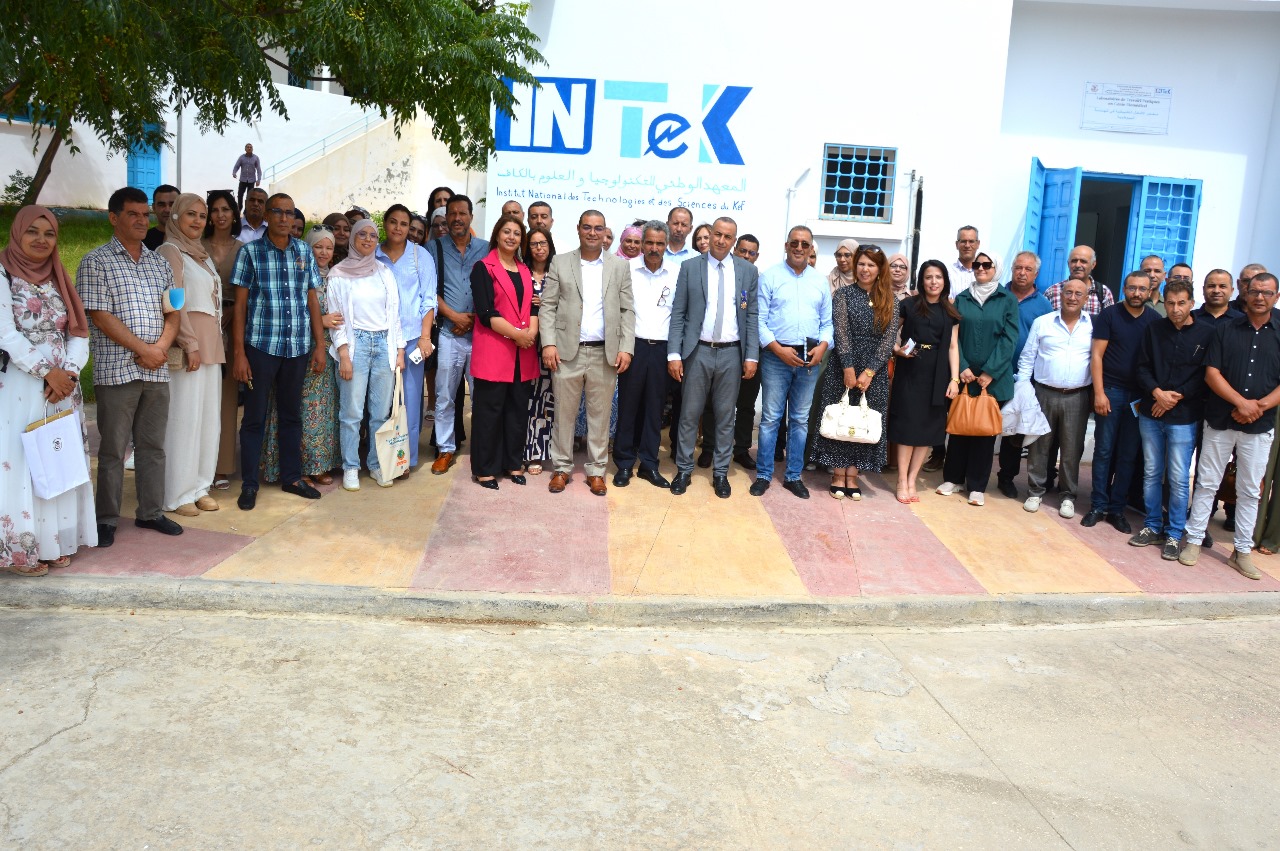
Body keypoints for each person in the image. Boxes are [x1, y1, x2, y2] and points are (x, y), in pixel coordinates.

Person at [79, 187, 183, 546]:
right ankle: (106, 518)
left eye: (145, 214)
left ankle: (150, 513)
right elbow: (100, 315)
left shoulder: (160, 263)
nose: (142, 220)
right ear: (114, 218)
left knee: (153, 446)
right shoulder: (95, 261)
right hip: (117, 370)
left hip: (156, 369)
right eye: (132, 214)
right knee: (113, 449)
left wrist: (160, 349)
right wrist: (144, 349)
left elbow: (174, 311)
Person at [0, 205, 96, 575]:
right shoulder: (4, 273)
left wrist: (68, 374)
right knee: (24, 460)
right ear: (17, 233)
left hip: (62, 389)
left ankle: (54, 541)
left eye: (49, 233)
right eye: (32, 231)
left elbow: (78, 331)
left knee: (56, 458)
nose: (41, 240)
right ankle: (21, 549)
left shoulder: (58, 276)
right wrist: (46, 373)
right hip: (22, 385)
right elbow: (5, 333)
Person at [230, 192, 327, 510]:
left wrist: (319, 345)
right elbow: (240, 306)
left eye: (290, 212)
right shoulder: (250, 253)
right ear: (267, 216)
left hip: (297, 347)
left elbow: (312, 299)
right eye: (278, 212)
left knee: (291, 415)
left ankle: (292, 478)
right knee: (254, 417)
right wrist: (239, 353)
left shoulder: (303, 251)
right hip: (261, 347)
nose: (285, 218)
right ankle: (249, 484)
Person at [1179, 273, 1280, 579]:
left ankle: (1242, 551)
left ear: (1276, 296)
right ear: (1245, 294)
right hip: (1221, 419)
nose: (1260, 297)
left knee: (1250, 490)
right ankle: (1194, 541)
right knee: (1207, 483)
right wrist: (1241, 403)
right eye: (1255, 291)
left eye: (1267, 292)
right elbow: (1212, 373)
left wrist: (1257, 407)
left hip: (1260, 424)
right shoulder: (1225, 329)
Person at [541, 210, 635, 496]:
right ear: (578, 229)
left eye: (598, 228)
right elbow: (548, 306)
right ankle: (561, 468)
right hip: (566, 353)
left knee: (600, 416)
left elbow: (627, 310)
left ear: (605, 231)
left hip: (604, 354)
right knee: (564, 415)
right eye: (587, 227)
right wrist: (548, 344)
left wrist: (626, 348)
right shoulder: (560, 262)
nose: (592, 233)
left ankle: (596, 471)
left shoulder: (619, 267)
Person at [667, 217, 758, 498]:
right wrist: (674, 353)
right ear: (709, 236)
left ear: (734, 241)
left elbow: (752, 316)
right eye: (717, 234)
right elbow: (679, 312)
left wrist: (752, 355)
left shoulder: (747, 271)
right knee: (689, 414)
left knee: (725, 417)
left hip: (732, 353)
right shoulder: (690, 267)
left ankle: (720, 473)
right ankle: (684, 470)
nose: (721, 240)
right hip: (697, 351)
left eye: (727, 236)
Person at [1128, 279, 1213, 560]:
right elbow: (1141, 368)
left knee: (1178, 477)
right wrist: (1157, 393)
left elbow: (1203, 376)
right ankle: (1153, 525)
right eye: (1171, 303)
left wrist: (1173, 398)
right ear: (1165, 303)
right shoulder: (1154, 330)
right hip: (1151, 412)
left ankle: (1175, 533)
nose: (1176, 309)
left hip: (1184, 416)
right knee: (1152, 472)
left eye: (1181, 303)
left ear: (1192, 303)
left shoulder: (1206, 333)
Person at [808, 244, 899, 500]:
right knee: (842, 418)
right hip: (843, 366)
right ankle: (838, 475)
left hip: (874, 372)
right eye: (861, 264)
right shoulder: (843, 295)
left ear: (880, 269)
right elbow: (841, 332)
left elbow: (889, 338)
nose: (865, 269)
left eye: (871, 264)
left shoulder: (891, 299)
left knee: (864, 422)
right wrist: (848, 368)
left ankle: (853, 475)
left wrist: (869, 372)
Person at [749, 226, 832, 500]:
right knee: (771, 418)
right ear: (786, 245)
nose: (799, 248)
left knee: (799, 420)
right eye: (794, 243)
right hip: (776, 356)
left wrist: (823, 347)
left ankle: (793, 476)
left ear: (811, 249)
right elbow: (759, 320)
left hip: (809, 358)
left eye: (804, 244)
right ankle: (763, 474)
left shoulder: (819, 281)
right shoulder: (770, 276)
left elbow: (827, 323)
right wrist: (777, 349)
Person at [155, 193, 225, 517]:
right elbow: (174, 301)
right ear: (176, 217)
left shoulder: (202, 254)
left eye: (202, 215)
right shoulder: (170, 251)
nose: (197, 221)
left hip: (211, 344)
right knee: (184, 420)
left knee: (208, 421)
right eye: (190, 214)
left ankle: (200, 487)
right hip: (189, 348)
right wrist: (188, 342)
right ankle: (177, 493)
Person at [935, 251, 1018, 506]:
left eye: (986, 264)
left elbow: (1009, 339)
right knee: (959, 428)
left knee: (983, 432)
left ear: (996, 268)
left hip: (993, 379)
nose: (981, 268)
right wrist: (962, 366)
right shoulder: (962, 298)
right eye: (977, 264)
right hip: (964, 376)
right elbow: (953, 337)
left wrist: (990, 371)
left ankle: (977, 485)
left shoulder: (1007, 299)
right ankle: (953, 478)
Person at [260, 226, 341, 486]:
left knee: (323, 409)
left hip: (328, 352)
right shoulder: (296, 273)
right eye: (318, 247)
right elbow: (287, 313)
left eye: (329, 247)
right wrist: (321, 320)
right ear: (308, 247)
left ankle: (319, 464)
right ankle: (298, 466)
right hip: (300, 349)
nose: (324, 252)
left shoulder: (336, 276)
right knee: (299, 409)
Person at [328, 218, 406, 490]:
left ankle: (375, 464)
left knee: (380, 413)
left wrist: (399, 350)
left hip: (383, 344)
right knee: (351, 412)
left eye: (373, 235)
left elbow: (394, 314)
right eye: (362, 234)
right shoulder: (338, 273)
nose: (368, 239)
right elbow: (336, 319)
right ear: (353, 238)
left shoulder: (384, 272)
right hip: (356, 346)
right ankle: (351, 466)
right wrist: (344, 354)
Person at [1080, 270, 1159, 532]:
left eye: (1142, 289)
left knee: (1128, 454)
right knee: (1103, 451)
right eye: (1132, 288)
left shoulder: (1154, 320)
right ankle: (1097, 505)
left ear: (1150, 291)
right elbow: (1097, 355)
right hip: (1111, 392)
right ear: (1124, 289)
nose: (1136, 293)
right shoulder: (1109, 315)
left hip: (1138, 398)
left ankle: (1117, 509)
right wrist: (1099, 393)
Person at [469, 214, 539, 489]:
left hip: (523, 352)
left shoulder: (524, 270)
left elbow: (532, 307)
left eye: (517, 233)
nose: (511, 237)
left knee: (517, 412)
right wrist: (518, 335)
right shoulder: (483, 268)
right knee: (490, 412)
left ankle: (513, 463)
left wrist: (530, 333)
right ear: (497, 234)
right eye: (507, 231)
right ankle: (485, 469)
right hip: (495, 349)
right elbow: (486, 313)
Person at [1018, 278, 1093, 518]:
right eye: (1068, 292)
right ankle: (1035, 491)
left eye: (1078, 294)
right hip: (1044, 393)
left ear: (1086, 298)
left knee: (1072, 448)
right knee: (1039, 444)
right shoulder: (1043, 323)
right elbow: (1028, 357)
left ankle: (1068, 495)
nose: (1072, 297)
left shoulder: (1093, 326)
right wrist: (1023, 388)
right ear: (1061, 295)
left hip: (1077, 396)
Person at [889, 260, 960, 503]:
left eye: (938, 277)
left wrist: (954, 379)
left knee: (927, 429)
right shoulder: (908, 305)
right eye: (929, 277)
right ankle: (901, 480)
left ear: (945, 281)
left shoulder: (950, 311)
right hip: (910, 369)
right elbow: (890, 332)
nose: (933, 282)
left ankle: (912, 479)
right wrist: (897, 350)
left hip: (937, 373)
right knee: (908, 426)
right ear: (921, 280)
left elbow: (953, 346)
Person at [614, 221, 678, 489]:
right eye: (649, 242)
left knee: (655, 409)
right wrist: (622, 347)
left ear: (666, 245)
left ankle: (649, 464)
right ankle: (624, 463)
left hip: (662, 349)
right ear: (641, 244)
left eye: (659, 243)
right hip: (633, 347)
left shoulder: (676, 273)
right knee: (628, 407)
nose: (653, 248)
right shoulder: (626, 269)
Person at [430, 194, 489, 474]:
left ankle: (482, 449)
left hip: (481, 337)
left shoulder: (486, 248)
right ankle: (445, 448)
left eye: (462, 213)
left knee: (482, 397)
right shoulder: (433, 249)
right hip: (448, 333)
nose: (456, 218)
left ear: (470, 217)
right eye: (452, 214)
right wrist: (454, 316)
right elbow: (428, 290)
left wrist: (474, 318)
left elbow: (495, 289)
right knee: (445, 395)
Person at [376, 204, 437, 473]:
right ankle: (379, 458)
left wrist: (425, 337)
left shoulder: (420, 256)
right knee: (380, 401)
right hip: (379, 338)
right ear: (385, 224)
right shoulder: (374, 253)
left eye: (404, 224)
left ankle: (405, 460)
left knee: (410, 402)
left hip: (412, 339)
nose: (398, 228)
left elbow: (428, 299)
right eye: (393, 222)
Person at [995, 250, 1053, 499]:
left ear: (1036, 273)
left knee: (1015, 430)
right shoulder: (998, 295)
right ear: (1012, 269)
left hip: (1023, 377)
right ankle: (974, 475)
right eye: (1018, 267)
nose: (1022, 273)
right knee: (984, 425)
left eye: (1028, 269)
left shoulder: (1043, 305)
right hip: (993, 372)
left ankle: (1006, 477)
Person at [202, 189, 245, 490]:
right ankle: (199, 465)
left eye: (226, 209)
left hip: (233, 326)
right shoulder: (196, 246)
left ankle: (222, 467)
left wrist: (231, 312)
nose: (220, 215)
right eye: (215, 210)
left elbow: (248, 292)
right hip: (202, 326)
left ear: (234, 214)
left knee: (227, 400)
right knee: (201, 396)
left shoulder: (243, 250)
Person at [523, 226, 557, 475]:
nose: (539, 248)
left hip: (550, 346)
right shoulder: (521, 271)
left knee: (545, 401)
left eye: (543, 243)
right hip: (523, 344)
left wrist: (545, 303)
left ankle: (538, 452)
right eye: (534, 243)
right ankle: (520, 450)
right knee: (524, 401)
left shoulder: (558, 272)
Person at [1045, 245, 1114, 316]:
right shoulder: (1052, 292)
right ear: (1068, 264)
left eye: (1083, 261)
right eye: (1074, 261)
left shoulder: (1104, 293)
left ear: (1093, 265)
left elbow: (1109, 320)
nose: (1077, 265)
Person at [143, 184, 179, 251]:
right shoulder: (143, 240)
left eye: (172, 204)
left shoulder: (190, 238)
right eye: (161, 205)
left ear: (180, 207)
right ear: (154, 207)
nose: (167, 210)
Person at [950, 226, 980, 296]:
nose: (967, 245)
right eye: (963, 241)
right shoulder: (947, 272)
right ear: (957, 244)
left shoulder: (984, 272)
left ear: (978, 244)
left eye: (971, 241)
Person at [232, 143, 263, 209]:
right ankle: (239, 208)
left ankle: (247, 209)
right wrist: (234, 172)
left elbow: (258, 169)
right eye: (248, 147)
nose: (249, 148)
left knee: (249, 196)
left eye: (250, 147)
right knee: (240, 195)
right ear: (245, 149)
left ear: (252, 149)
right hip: (243, 180)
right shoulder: (241, 157)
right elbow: (237, 166)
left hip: (251, 181)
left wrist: (259, 180)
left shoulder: (256, 158)